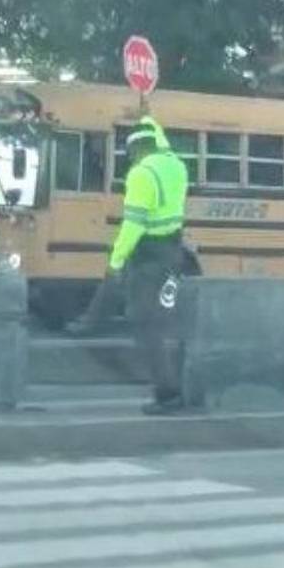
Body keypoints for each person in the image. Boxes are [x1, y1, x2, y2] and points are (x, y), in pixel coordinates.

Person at [71, 116, 188, 415]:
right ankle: (89, 320)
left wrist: (116, 259)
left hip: (148, 252)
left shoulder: (142, 174)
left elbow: (133, 224)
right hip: (173, 250)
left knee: (145, 322)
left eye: (129, 152)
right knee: (159, 321)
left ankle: (168, 393)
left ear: (136, 150)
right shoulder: (176, 165)